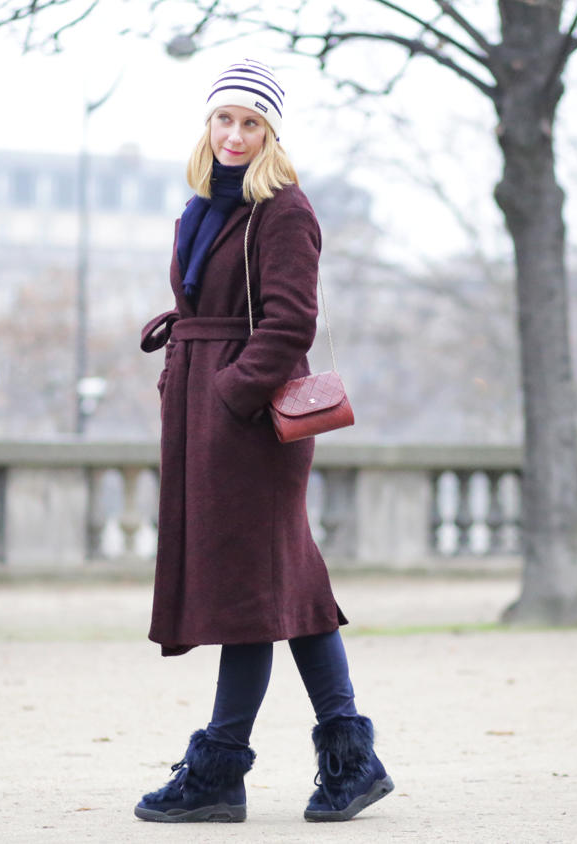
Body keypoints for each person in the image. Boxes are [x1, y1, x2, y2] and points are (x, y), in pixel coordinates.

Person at [135, 58, 393, 824]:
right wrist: (189, 382)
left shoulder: (284, 211)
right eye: (225, 120)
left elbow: (290, 324)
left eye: (252, 123)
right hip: (205, 419)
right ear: (207, 126)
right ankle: (352, 760)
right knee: (289, 589)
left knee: (246, 595)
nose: (236, 134)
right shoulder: (199, 209)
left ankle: (218, 769)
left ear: (272, 133)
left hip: (249, 428)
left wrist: (229, 393)